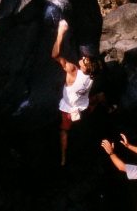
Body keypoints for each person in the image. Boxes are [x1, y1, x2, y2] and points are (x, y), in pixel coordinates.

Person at [52, 19, 102, 166]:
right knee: (100, 97)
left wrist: (60, 32)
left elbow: (55, 55)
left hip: (69, 108)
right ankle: (110, 108)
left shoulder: (73, 71)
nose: (83, 59)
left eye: (85, 60)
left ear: (87, 68)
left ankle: (63, 158)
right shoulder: (94, 74)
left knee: (64, 132)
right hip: (84, 106)